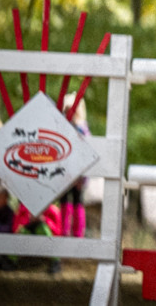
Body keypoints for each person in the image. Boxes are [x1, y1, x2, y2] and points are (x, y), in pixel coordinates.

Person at [60, 94, 90, 240]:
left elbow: (87, 153)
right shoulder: (62, 128)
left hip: (78, 173)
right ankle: (63, 232)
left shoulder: (82, 129)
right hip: (64, 173)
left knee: (77, 201)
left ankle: (78, 234)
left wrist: (81, 176)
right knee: (65, 201)